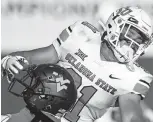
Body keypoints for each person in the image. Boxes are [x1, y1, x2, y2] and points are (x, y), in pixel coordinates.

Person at [1, 6, 153, 122]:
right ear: (116, 25)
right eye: (132, 33)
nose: (135, 43)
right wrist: (11, 60)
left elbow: (131, 115)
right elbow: (32, 57)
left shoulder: (134, 76)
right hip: (31, 116)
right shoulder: (81, 34)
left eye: (141, 40)